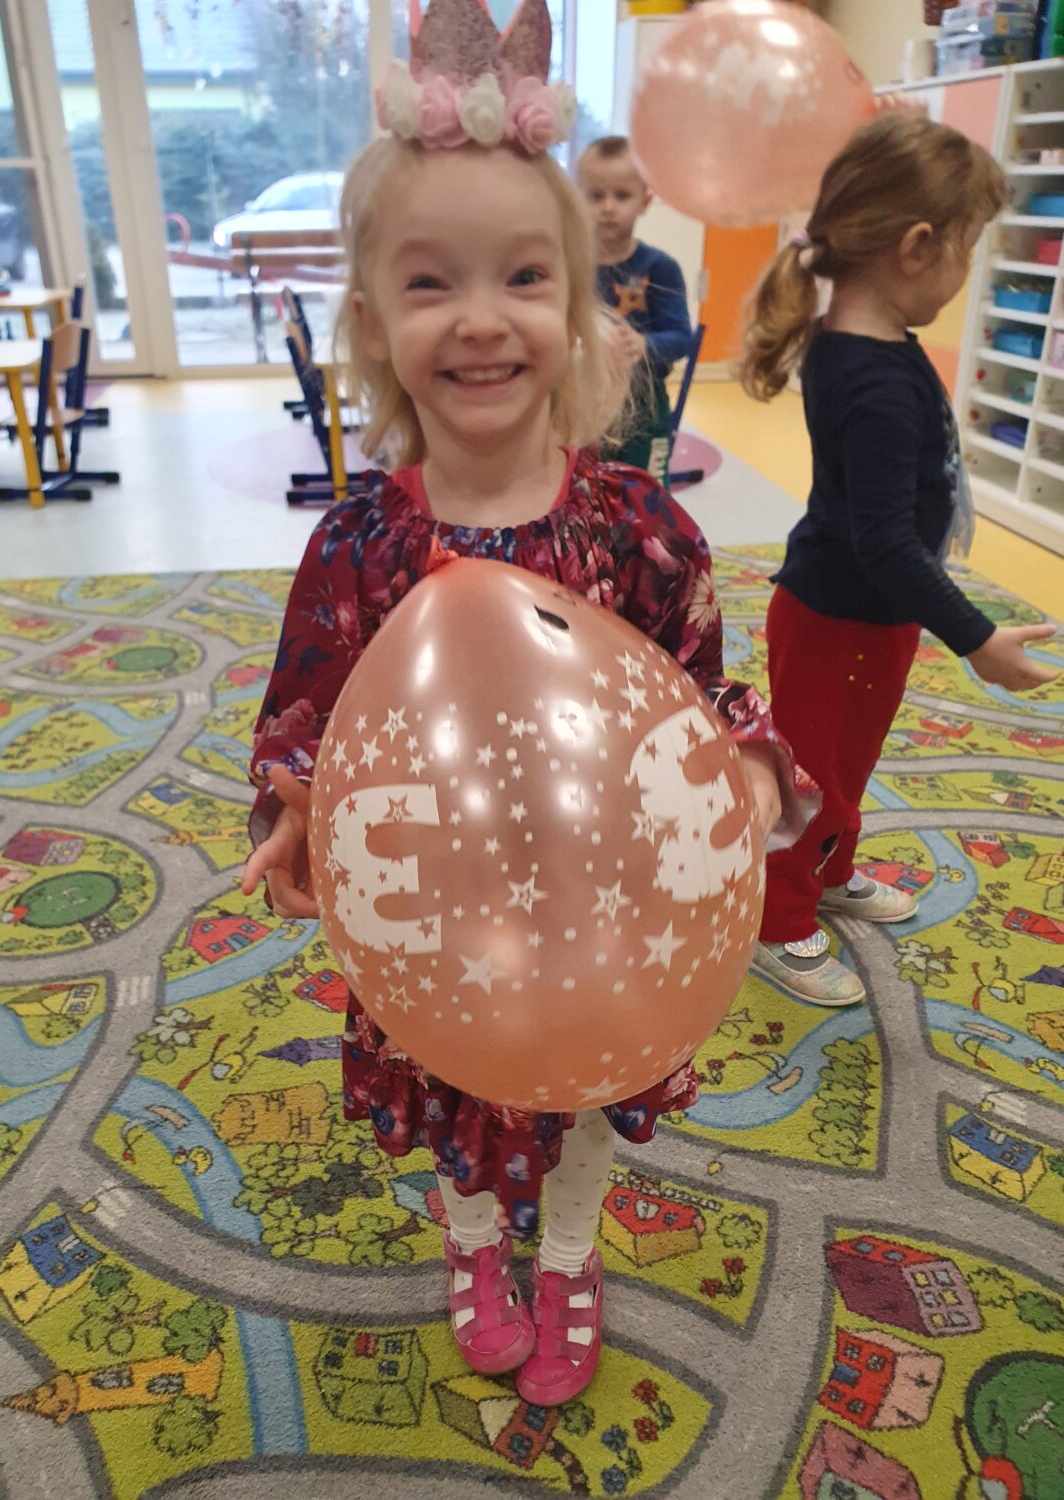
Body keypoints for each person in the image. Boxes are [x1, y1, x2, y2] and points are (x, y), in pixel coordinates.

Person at [241, 0, 811, 1407]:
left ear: (580, 305)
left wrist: (744, 771)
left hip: (607, 919)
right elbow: (306, 714)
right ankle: (472, 1243)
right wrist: (295, 808)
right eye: (431, 283)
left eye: (523, 277)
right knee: (447, 1085)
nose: (483, 318)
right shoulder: (358, 544)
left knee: (586, 1091)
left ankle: (565, 1254)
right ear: (373, 322)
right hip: (430, 924)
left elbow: (702, 687)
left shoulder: (638, 529)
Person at [740, 114, 1059, 1009]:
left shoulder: (870, 344)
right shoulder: (871, 378)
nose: (966, 271)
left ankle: (829, 873)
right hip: (836, 615)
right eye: (967, 246)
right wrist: (977, 639)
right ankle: (777, 921)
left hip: (867, 612)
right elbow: (881, 539)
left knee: (848, 761)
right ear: (917, 247)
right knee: (811, 775)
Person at [577, 135, 694, 484]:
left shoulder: (660, 268)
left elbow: (680, 337)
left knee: (646, 492)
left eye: (621, 195)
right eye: (595, 196)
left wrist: (645, 345)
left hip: (645, 408)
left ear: (644, 201)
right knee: (582, 487)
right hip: (582, 402)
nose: (608, 207)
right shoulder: (568, 267)